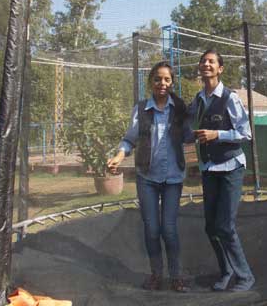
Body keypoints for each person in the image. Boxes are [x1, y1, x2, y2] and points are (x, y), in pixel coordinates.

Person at [107, 61, 191, 292]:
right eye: (157, 79)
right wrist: (119, 155)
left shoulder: (180, 108)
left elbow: (189, 135)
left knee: (169, 229)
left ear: (172, 82)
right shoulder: (142, 108)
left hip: (173, 177)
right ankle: (156, 274)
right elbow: (130, 139)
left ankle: (176, 276)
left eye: (167, 79)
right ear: (151, 82)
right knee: (152, 229)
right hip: (147, 178)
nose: (162, 83)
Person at [189, 49, 255, 292]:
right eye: (203, 61)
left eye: (211, 61)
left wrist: (217, 134)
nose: (206, 64)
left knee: (225, 226)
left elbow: (245, 133)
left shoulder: (229, 98)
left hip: (230, 167)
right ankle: (226, 271)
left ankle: (245, 277)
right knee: (211, 227)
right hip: (209, 168)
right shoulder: (198, 99)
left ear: (220, 69)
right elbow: (186, 124)